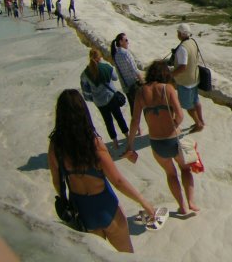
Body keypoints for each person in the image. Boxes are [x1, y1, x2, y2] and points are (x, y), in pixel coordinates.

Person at [48, 89, 156, 253]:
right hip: (107, 208)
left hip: (83, 212)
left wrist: (65, 202)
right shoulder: (93, 143)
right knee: (126, 256)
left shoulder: (56, 147)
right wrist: (143, 202)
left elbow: (57, 181)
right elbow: (118, 181)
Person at [126, 60, 200, 216]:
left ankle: (182, 207)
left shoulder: (140, 92)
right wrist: (174, 124)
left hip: (156, 144)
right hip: (173, 139)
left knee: (171, 174)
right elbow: (180, 115)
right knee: (185, 169)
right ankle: (191, 202)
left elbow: (135, 121)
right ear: (165, 74)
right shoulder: (168, 88)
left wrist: (130, 145)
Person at [80, 48, 130, 151]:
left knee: (108, 121)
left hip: (99, 101)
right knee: (119, 117)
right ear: (99, 57)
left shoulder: (85, 73)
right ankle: (128, 137)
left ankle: (115, 143)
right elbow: (115, 77)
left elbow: (85, 88)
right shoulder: (106, 67)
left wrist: (91, 98)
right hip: (111, 97)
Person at [171, 24, 205, 132]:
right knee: (196, 101)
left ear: (181, 34)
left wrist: (171, 75)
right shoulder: (193, 42)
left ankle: (198, 124)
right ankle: (201, 121)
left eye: (178, 32)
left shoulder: (182, 48)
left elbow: (183, 66)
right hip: (195, 77)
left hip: (186, 81)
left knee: (188, 106)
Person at [110, 33, 144, 128]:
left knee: (133, 108)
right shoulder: (126, 53)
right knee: (144, 106)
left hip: (126, 87)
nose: (128, 42)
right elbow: (135, 70)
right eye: (126, 40)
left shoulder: (115, 55)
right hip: (135, 84)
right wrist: (143, 82)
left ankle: (138, 128)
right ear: (121, 42)